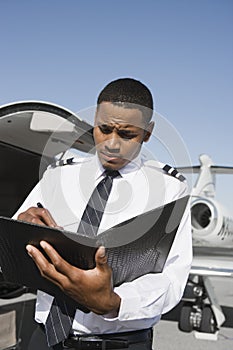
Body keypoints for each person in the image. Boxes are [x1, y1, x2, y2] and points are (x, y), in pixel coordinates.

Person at [13, 78, 192, 350]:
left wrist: (113, 302)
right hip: (45, 338)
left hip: (120, 343)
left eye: (127, 134)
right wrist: (21, 228)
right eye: (104, 129)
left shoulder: (169, 190)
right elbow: (12, 243)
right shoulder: (58, 175)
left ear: (147, 132)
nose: (112, 144)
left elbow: (172, 278)